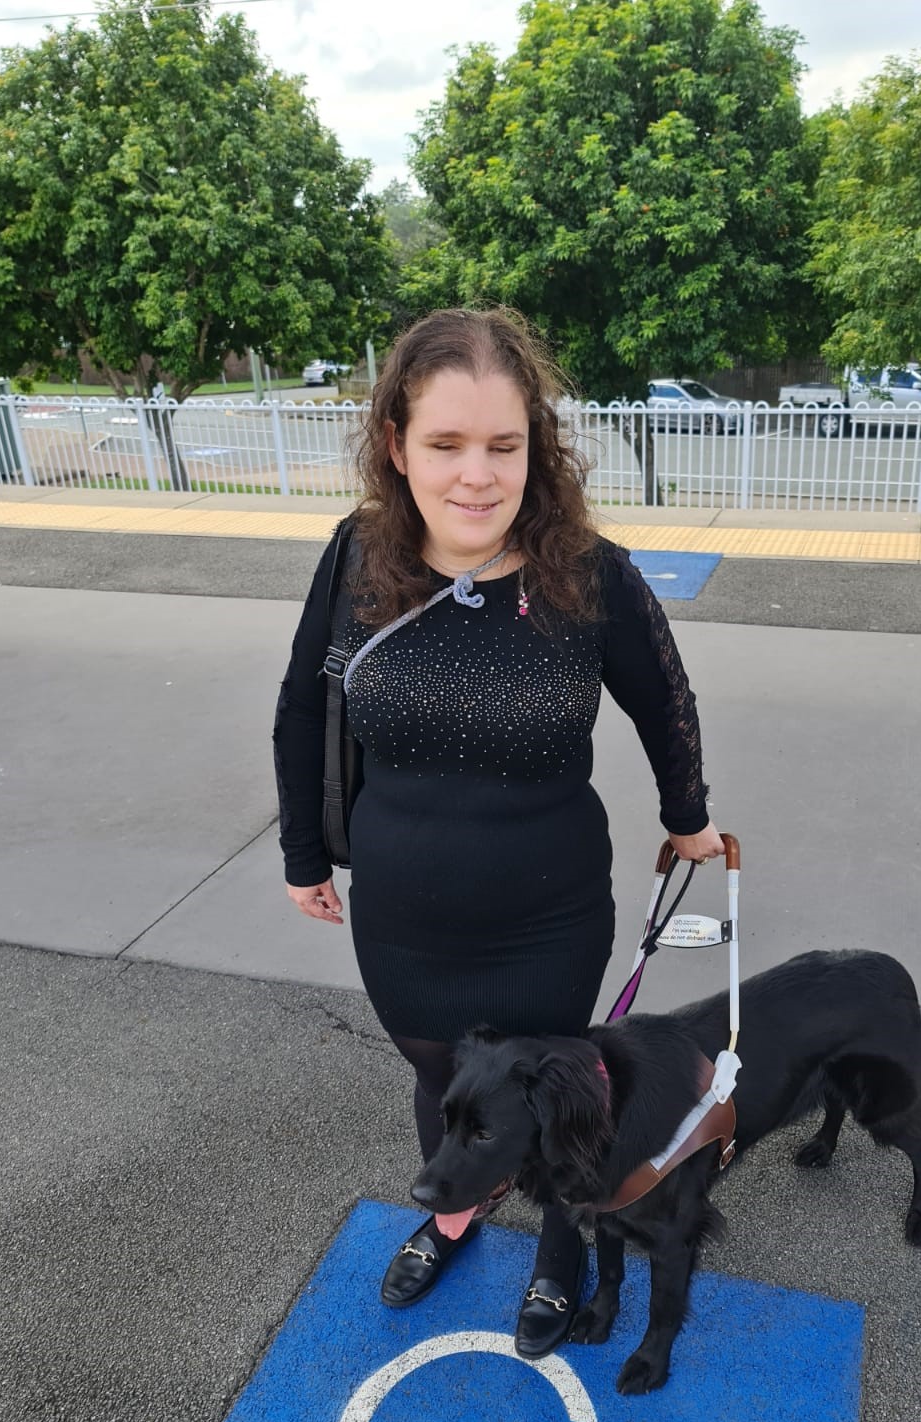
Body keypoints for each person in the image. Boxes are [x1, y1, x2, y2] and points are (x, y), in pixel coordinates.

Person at [273, 307, 722, 1360]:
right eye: (445, 444)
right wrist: (303, 852)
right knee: (445, 1085)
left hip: (547, 919)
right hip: (403, 921)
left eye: (503, 446)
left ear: (536, 449)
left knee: (557, 1102)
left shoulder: (586, 572)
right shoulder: (358, 557)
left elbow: (666, 698)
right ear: (396, 444)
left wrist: (688, 816)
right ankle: (453, 1216)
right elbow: (305, 705)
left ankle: (561, 1255)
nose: (477, 475)